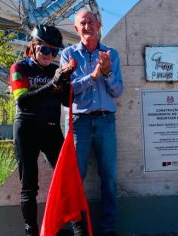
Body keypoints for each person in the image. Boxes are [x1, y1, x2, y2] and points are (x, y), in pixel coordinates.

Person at [60, 9, 123, 236]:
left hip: (106, 121)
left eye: (91, 22)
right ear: (76, 29)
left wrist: (107, 74)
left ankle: (108, 229)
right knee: (77, 178)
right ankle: (79, 229)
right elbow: (67, 91)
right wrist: (93, 76)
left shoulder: (111, 54)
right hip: (80, 123)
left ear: (98, 25)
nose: (87, 26)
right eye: (82, 23)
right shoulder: (68, 55)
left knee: (109, 177)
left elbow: (117, 91)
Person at [10, 25, 76, 236]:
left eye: (54, 51)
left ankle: (64, 226)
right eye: (45, 50)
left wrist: (64, 81)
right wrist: (53, 84)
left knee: (65, 180)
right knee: (29, 185)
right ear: (33, 47)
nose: (50, 55)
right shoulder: (19, 67)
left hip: (50, 129)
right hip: (26, 129)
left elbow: (66, 101)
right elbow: (23, 102)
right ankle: (31, 232)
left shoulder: (53, 70)